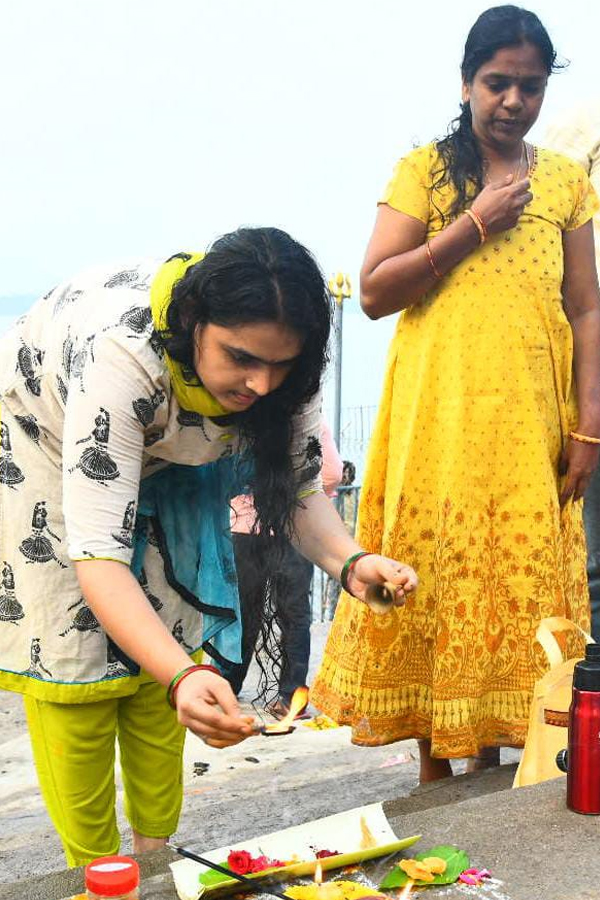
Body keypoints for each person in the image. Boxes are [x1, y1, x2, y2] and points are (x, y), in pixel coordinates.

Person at [0, 228, 418, 866]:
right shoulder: (123, 356)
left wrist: (351, 561)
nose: (260, 384)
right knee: (78, 666)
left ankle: (157, 855)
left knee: (164, 654)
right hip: (47, 440)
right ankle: (96, 869)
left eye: (280, 364)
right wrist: (186, 675)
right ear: (194, 323)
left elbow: (299, 489)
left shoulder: (286, 372)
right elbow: (100, 557)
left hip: (170, 453)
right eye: (242, 357)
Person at [311, 5, 600, 784]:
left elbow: (586, 307)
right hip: (437, 421)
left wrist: (591, 424)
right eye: (497, 83)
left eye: (530, 88)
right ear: (467, 83)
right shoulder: (427, 172)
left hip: (532, 421)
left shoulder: (568, 181)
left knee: (520, 582)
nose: (513, 102)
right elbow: (372, 291)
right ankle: (435, 776)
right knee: (434, 575)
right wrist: (472, 223)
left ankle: (515, 765)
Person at [226, 420, 343, 716]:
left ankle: (227, 687)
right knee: (294, 614)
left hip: (244, 527)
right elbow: (331, 474)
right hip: (296, 532)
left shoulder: (248, 421)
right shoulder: (312, 423)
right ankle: (291, 696)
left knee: (243, 611)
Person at [545, 101, 600, 641]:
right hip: (589, 382)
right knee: (591, 570)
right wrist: (588, 421)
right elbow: (577, 297)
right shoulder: (585, 125)